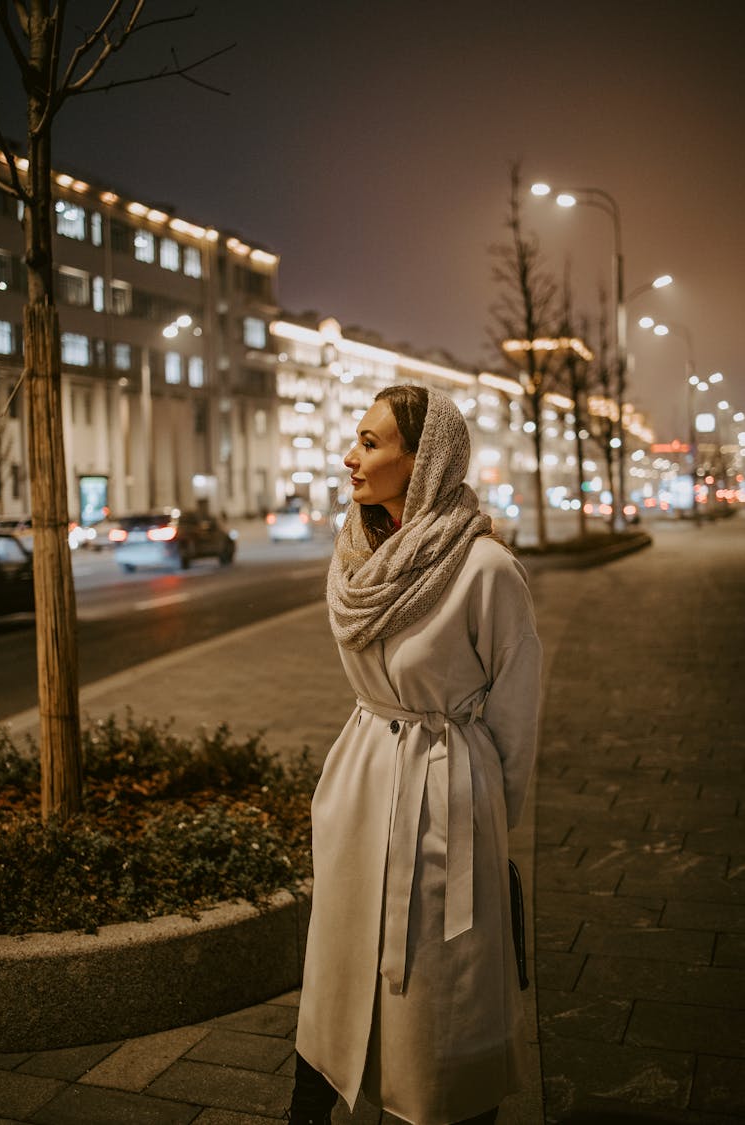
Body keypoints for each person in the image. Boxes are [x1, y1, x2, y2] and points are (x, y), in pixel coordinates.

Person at [289, 385, 541, 1125]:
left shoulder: (485, 568)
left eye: (371, 442)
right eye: (355, 439)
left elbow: (517, 716)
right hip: (362, 782)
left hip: (446, 789)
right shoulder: (354, 558)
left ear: (423, 458)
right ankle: (315, 1095)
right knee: (340, 969)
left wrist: (483, 808)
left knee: (438, 989)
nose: (350, 456)